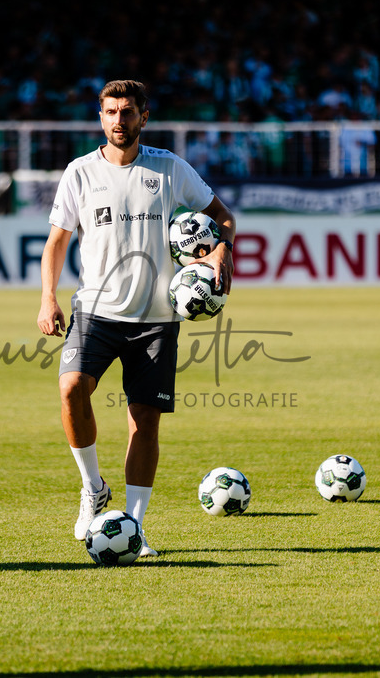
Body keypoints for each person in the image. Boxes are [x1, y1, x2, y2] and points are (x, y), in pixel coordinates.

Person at [37, 80, 235, 556]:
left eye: (128, 112)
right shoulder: (80, 172)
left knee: (143, 421)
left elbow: (222, 217)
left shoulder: (169, 169)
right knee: (70, 389)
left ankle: (135, 526)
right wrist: (48, 297)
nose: (118, 121)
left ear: (144, 117)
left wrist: (221, 251)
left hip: (156, 317)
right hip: (96, 311)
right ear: (100, 117)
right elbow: (57, 241)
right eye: (110, 112)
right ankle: (93, 489)